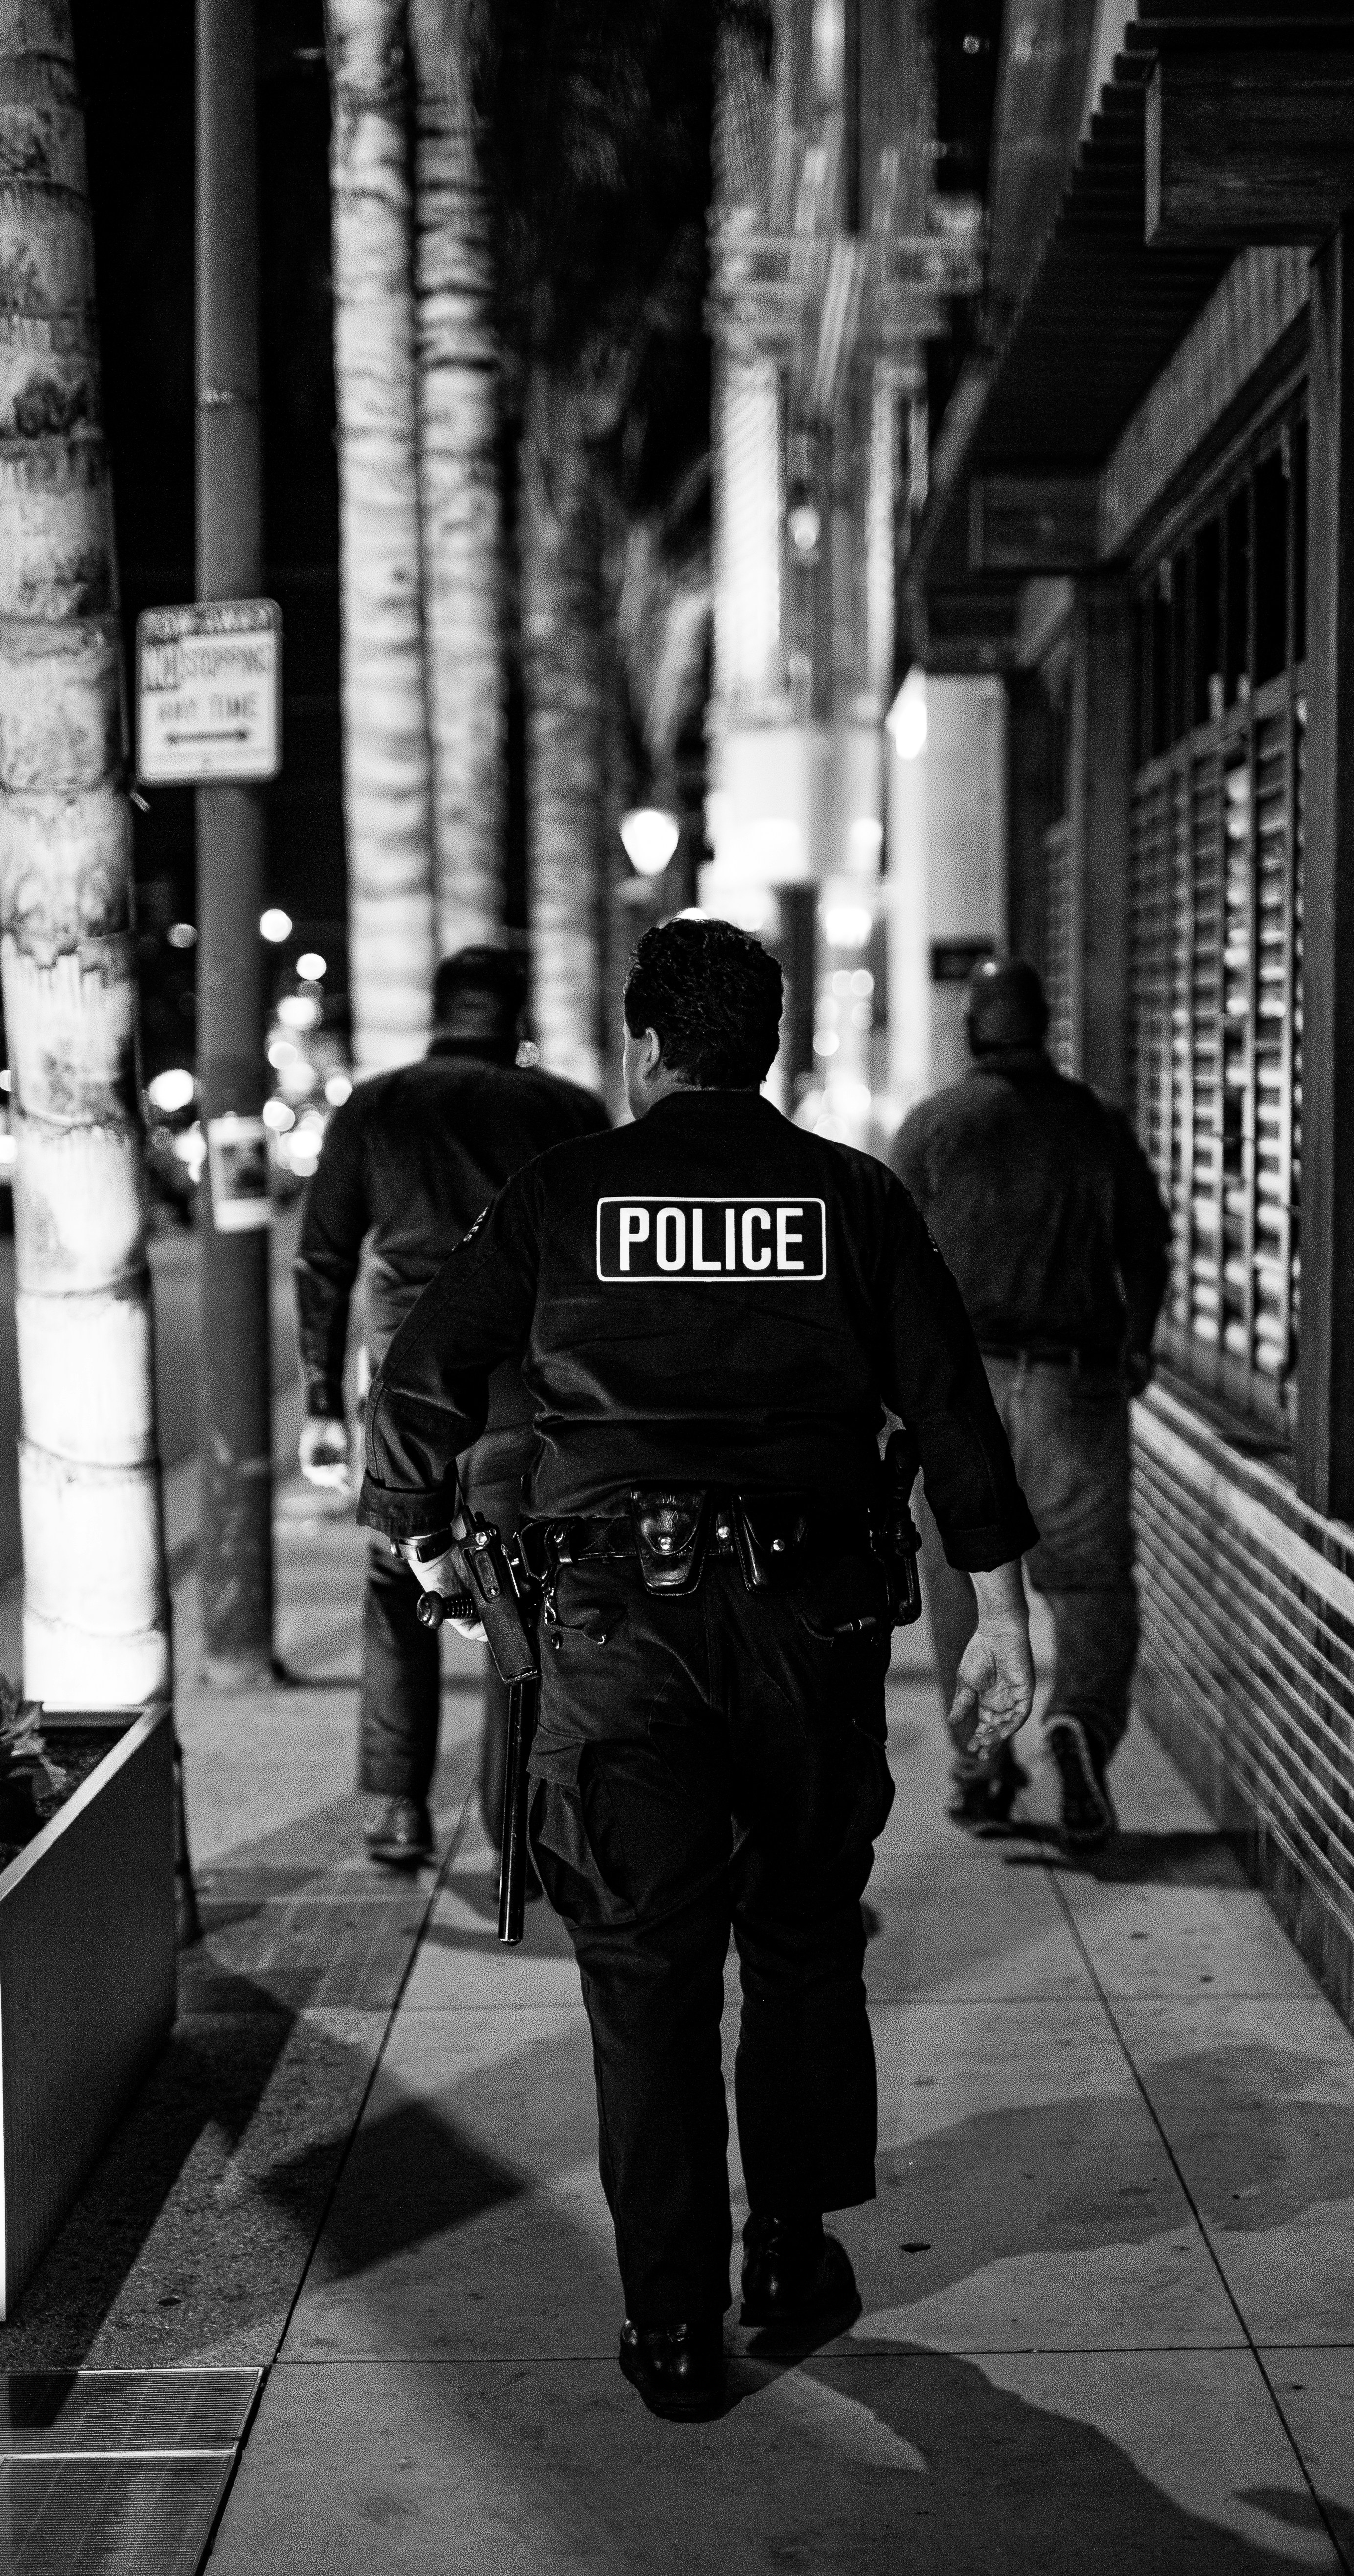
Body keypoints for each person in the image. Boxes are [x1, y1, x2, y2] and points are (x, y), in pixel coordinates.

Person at [356, 915, 1037, 2421]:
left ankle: (670, 2327)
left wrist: (412, 1541)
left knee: (642, 1972)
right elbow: (947, 1406)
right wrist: (1004, 1610)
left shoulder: (558, 1196)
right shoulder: (851, 1197)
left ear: (645, 1047)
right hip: (811, 1627)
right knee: (798, 1937)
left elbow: (418, 1373)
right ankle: (786, 2256)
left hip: (615, 1634)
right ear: (767, 1047)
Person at [295, 944, 607, 1866]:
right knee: (521, 1593)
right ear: (520, 1019)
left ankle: (399, 1807)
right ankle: (514, 1829)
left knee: (398, 1588)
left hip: (403, 1385)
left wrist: (319, 1394)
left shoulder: (379, 1106)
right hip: (527, 1385)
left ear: (438, 1010)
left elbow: (323, 1257)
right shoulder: (566, 1110)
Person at [889, 956, 1170, 1853]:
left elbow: (888, 1268)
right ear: (1044, 1026)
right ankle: (1079, 1722)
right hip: (1074, 1379)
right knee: (1089, 1578)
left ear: (973, 1029)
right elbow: (1148, 1242)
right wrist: (1139, 1341)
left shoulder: (935, 1126)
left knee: (964, 1579)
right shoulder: (1094, 1124)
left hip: (960, 1386)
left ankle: (981, 1763)